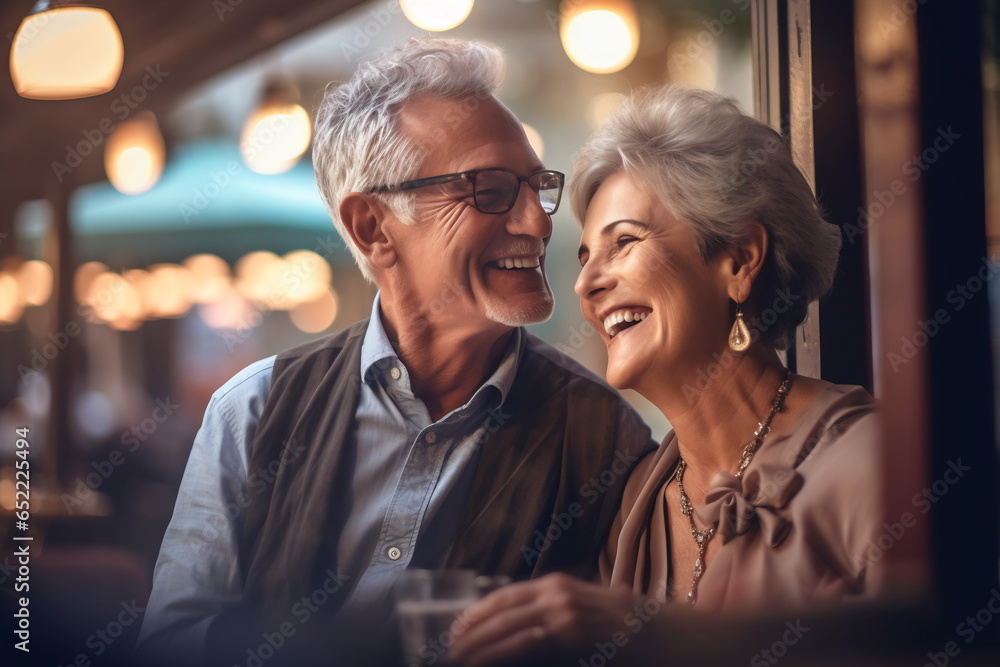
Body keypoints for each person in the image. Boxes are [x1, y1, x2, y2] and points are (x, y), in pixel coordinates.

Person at [135, 38, 654, 666]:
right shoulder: (253, 410)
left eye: (535, 185)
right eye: (490, 189)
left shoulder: (607, 439)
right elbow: (169, 645)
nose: (538, 222)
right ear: (373, 228)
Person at [450, 84, 882, 666]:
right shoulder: (636, 505)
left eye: (623, 242)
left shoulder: (871, 463)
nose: (586, 283)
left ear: (738, 261)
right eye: (584, 259)